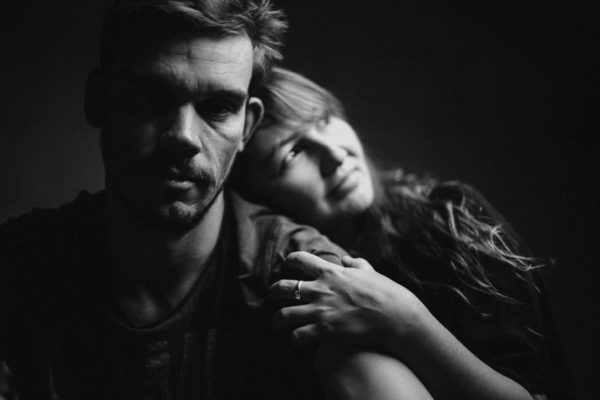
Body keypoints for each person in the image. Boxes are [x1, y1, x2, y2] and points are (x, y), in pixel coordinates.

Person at [0, 2, 434, 399]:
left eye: (219, 106)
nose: (183, 138)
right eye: (152, 97)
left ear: (247, 126)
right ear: (98, 99)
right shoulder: (22, 263)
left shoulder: (308, 280)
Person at [230, 67, 570, 399]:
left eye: (324, 120)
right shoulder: (276, 294)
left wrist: (406, 320)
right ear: (258, 200)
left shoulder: (451, 218)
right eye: (293, 153)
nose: (335, 155)